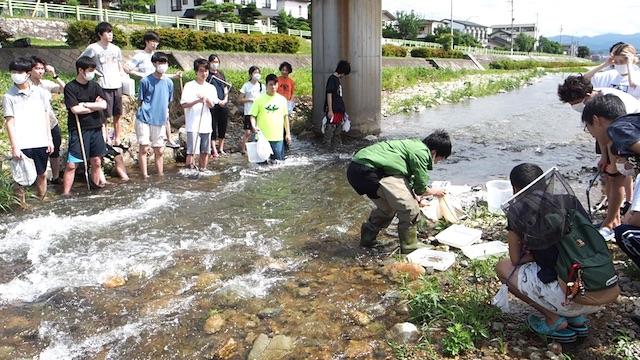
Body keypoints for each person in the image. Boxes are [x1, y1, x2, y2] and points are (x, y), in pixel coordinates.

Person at [495, 163, 619, 342]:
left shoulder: (518, 210)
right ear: (545, 183)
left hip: (568, 297)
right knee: (563, 262)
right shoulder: (569, 200)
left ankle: (553, 319)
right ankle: (576, 319)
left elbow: (515, 259)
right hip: (599, 291)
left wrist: (533, 255)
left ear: (515, 188)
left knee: (503, 267)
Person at [346, 131, 451, 254]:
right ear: (434, 152)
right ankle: (409, 247)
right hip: (371, 170)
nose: (437, 162)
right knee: (410, 209)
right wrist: (434, 192)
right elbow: (420, 187)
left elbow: (406, 180)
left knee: (388, 208)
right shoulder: (422, 152)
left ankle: (367, 241)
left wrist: (416, 197)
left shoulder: (411, 146)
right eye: (440, 159)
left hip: (355, 170)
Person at [558, 75, 640, 232]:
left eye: (587, 128)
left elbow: (613, 137)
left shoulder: (616, 125)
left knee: (616, 177)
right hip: (622, 135)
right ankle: (616, 217)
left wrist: (615, 165)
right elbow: (605, 138)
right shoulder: (607, 122)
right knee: (613, 172)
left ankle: (613, 220)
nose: (589, 133)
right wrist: (606, 158)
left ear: (595, 120)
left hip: (629, 134)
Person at [3, 57, 54, 204]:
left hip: (40, 140)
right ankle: (23, 206)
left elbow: (46, 116)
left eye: (19, 72)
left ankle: (42, 202)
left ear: (27, 73)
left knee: (42, 174)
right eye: (13, 72)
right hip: (22, 142)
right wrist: (15, 146)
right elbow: (9, 122)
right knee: (20, 178)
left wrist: (49, 139)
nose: (16, 74)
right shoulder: (9, 96)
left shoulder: (40, 93)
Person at [124, 30, 181, 149]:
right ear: (146, 42)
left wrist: (174, 76)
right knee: (147, 113)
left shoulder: (158, 56)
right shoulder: (140, 55)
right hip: (147, 88)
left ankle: (169, 138)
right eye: (152, 42)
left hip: (159, 87)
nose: (155, 44)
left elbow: (161, 75)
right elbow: (127, 68)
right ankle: (147, 139)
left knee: (165, 114)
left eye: (156, 42)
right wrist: (140, 75)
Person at [62, 56, 108, 195]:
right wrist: (95, 106)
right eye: (90, 70)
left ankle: (94, 189)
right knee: (72, 164)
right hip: (79, 129)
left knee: (96, 161)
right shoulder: (70, 87)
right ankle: (66, 193)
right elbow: (75, 110)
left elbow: (104, 105)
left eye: (93, 70)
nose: (92, 73)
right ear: (81, 70)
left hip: (95, 127)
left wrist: (86, 105)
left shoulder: (95, 86)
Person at [79, 22, 126, 147]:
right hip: (103, 84)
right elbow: (81, 61)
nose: (110, 35)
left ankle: (117, 138)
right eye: (107, 32)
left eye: (111, 32)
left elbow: (120, 65)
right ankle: (105, 138)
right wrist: (92, 72)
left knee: (118, 113)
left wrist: (124, 76)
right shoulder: (93, 48)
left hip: (117, 84)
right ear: (100, 34)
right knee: (103, 114)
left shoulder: (116, 49)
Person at [135, 52, 174, 178]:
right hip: (145, 118)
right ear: (154, 63)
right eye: (160, 62)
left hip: (160, 119)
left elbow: (168, 101)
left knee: (159, 150)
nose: (162, 65)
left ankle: (160, 175)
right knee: (144, 148)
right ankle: (145, 175)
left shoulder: (169, 83)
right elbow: (140, 100)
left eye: (165, 62)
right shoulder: (145, 81)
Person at [29, 56, 66, 185]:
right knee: (37, 151)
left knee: (55, 150)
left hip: (51, 122)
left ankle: (55, 177)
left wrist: (54, 75)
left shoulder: (46, 84)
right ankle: (37, 177)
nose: (40, 71)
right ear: (30, 70)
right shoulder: (25, 85)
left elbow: (64, 89)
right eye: (37, 68)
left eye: (42, 69)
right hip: (34, 125)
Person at [181, 58, 219, 171]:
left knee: (205, 151)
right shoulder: (189, 86)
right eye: (201, 71)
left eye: (206, 71)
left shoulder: (211, 87)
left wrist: (206, 100)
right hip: (193, 125)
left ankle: (203, 170)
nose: (204, 73)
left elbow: (212, 105)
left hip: (206, 125)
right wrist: (197, 101)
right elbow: (184, 104)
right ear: (196, 72)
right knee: (191, 151)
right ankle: (189, 171)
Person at [249, 74, 291, 161]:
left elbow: (285, 118)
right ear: (266, 85)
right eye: (271, 84)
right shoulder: (259, 99)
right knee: (260, 165)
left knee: (278, 164)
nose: (273, 87)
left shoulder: (282, 100)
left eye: (275, 84)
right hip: (261, 138)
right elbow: (252, 115)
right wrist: (253, 126)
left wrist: (288, 134)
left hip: (277, 138)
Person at [324, 60, 351, 149]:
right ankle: (326, 152)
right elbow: (329, 94)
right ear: (342, 71)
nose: (344, 76)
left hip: (339, 111)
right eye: (344, 73)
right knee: (329, 133)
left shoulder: (337, 80)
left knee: (337, 134)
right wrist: (330, 110)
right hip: (333, 111)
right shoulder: (332, 79)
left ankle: (335, 152)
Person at [207, 54, 230, 156]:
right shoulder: (207, 75)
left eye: (216, 62)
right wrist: (217, 101)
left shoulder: (221, 74)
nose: (215, 64)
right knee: (212, 127)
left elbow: (225, 88)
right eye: (213, 62)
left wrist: (225, 99)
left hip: (223, 105)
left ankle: (221, 148)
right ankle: (213, 149)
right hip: (212, 105)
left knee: (223, 126)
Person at [239, 66, 264, 155]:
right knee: (248, 132)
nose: (257, 74)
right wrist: (249, 100)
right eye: (255, 72)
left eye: (258, 72)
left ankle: (258, 149)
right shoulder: (246, 85)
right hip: (249, 112)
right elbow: (240, 99)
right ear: (250, 74)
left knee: (259, 132)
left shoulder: (262, 86)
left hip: (259, 112)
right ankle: (243, 149)